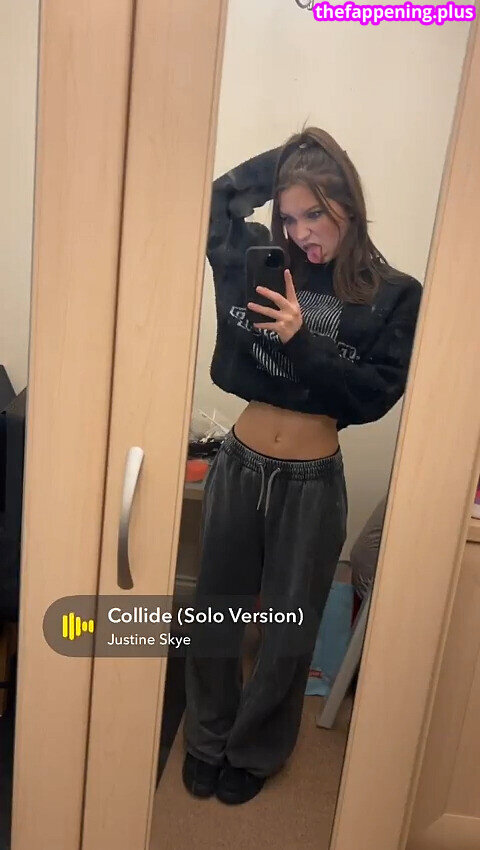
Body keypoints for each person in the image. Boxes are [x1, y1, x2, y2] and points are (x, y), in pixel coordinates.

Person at [182, 127, 423, 805]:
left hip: (313, 481)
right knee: (216, 612)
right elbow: (210, 202)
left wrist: (301, 341)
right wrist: (289, 156)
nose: (300, 232)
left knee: (289, 629)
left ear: (349, 204)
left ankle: (255, 749)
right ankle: (206, 737)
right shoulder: (256, 260)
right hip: (239, 463)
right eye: (289, 217)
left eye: (314, 213)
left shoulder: (394, 294)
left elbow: (373, 396)